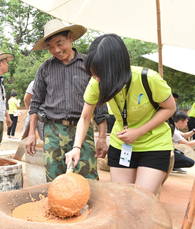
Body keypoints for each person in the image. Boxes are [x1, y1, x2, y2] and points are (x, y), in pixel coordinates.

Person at [65, 34, 175, 195]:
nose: (96, 79)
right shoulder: (96, 83)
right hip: (122, 145)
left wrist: (138, 131)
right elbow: (85, 117)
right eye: (93, 74)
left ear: (116, 68)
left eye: (99, 74)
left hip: (154, 145)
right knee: (121, 200)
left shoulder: (148, 79)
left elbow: (170, 108)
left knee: (141, 201)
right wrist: (76, 147)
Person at [26, 19, 108, 181]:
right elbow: (35, 105)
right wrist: (31, 134)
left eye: (59, 43)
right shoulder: (45, 69)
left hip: (82, 130)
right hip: (53, 132)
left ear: (70, 38)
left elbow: (100, 105)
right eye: (50, 46)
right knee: (54, 180)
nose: (56, 50)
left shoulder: (88, 65)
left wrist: (103, 138)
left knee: (88, 177)